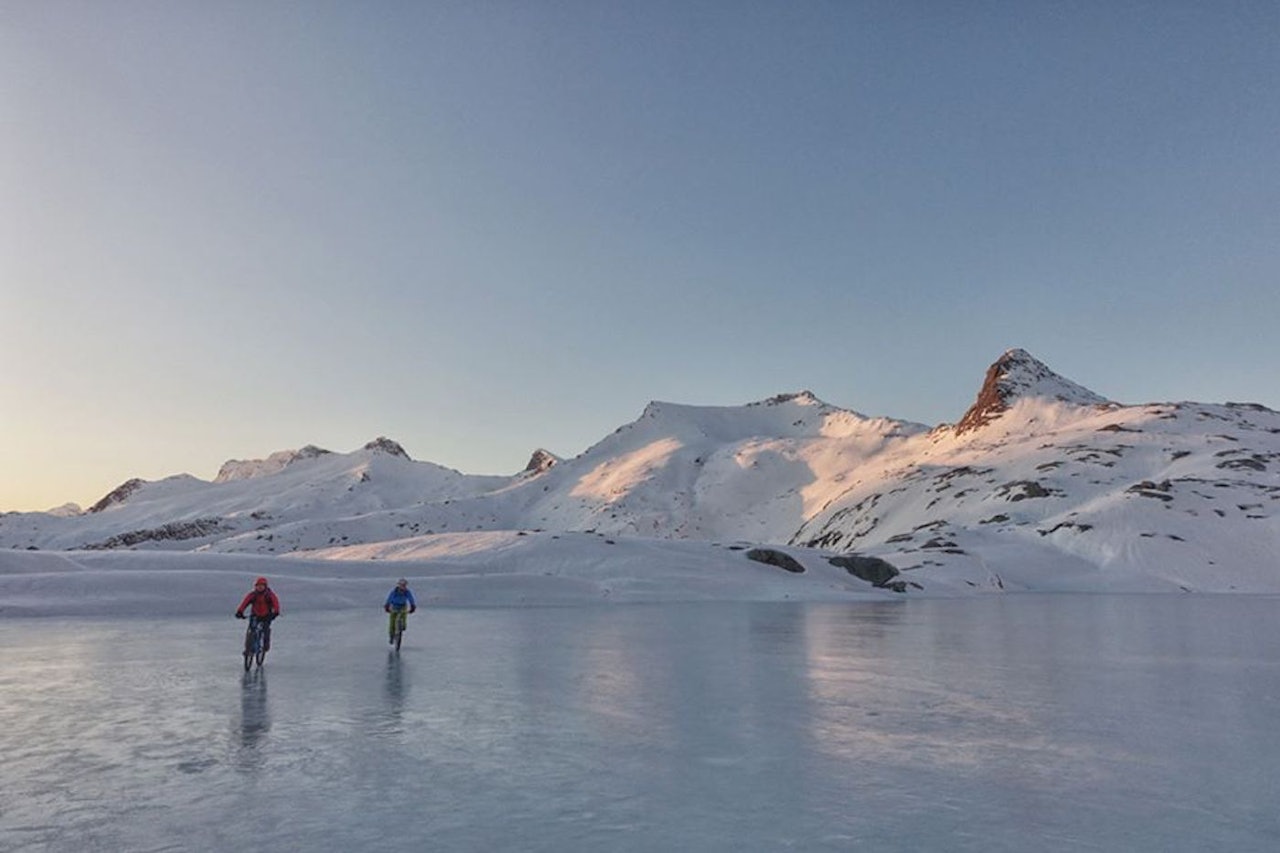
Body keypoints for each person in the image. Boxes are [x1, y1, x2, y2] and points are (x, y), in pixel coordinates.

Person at [235, 576, 281, 651]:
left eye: (261, 586)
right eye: (258, 586)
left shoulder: (269, 595)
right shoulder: (253, 595)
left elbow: (275, 603)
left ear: (265, 586)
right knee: (251, 630)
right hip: (255, 615)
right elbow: (245, 603)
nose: (259, 587)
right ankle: (248, 648)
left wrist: (276, 612)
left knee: (265, 630)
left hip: (266, 615)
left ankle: (265, 646)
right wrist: (240, 611)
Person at [384, 577, 416, 644]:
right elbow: (389, 598)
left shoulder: (407, 592)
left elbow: (411, 598)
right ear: (398, 585)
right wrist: (387, 606)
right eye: (401, 585)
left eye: (404, 585)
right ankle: (391, 635)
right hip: (394, 606)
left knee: (404, 616)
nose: (403, 587)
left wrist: (412, 606)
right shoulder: (394, 592)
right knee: (392, 621)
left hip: (402, 606)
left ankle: (402, 626)